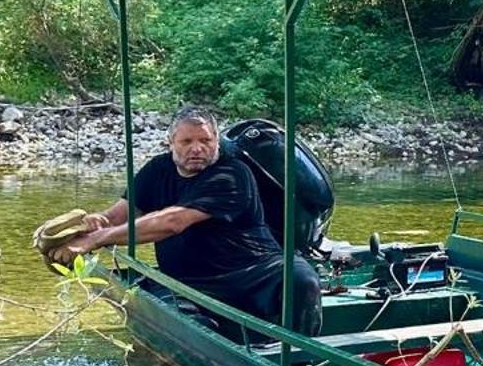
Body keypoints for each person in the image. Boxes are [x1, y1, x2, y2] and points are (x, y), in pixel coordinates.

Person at [59, 106, 321, 337]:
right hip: (188, 281)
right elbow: (120, 213)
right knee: (186, 319)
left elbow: (173, 221)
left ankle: (301, 362)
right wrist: (93, 225)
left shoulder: (232, 174)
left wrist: (94, 240)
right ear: (170, 142)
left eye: (205, 140)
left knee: (302, 279)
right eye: (186, 141)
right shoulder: (157, 169)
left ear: (216, 140)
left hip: (253, 272)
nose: (196, 148)